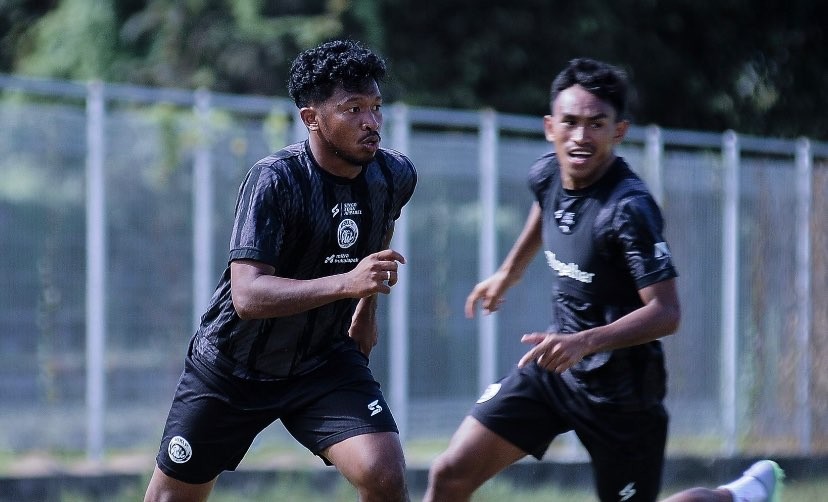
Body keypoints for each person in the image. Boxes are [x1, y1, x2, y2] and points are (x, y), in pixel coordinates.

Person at [423, 57, 782, 502]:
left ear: (619, 131)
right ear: (550, 127)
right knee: (449, 475)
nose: (580, 136)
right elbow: (547, 208)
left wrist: (585, 341)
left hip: (622, 397)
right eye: (570, 123)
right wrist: (508, 272)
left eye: (596, 123)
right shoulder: (549, 172)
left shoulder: (628, 209)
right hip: (554, 371)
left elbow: (667, 313)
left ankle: (737, 496)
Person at [144, 39, 416, 502]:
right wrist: (347, 284)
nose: (371, 122)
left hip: (323, 360)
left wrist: (364, 311)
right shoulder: (274, 180)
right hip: (233, 366)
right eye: (353, 109)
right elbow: (247, 296)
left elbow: (378, 237)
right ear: (311, 118)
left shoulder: (393, 176)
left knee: (384, 473)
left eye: (375, 107)